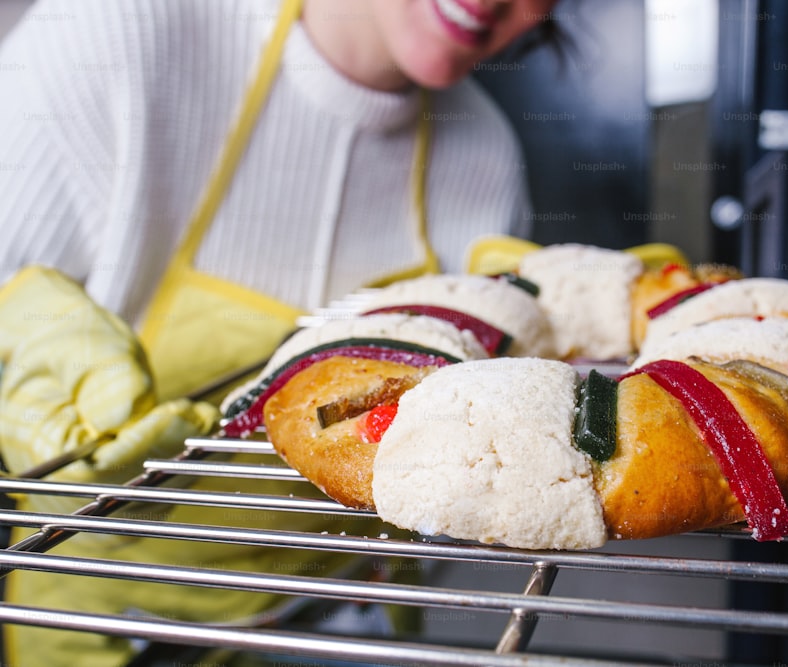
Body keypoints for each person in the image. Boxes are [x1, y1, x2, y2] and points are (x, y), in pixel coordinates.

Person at [0, 0, 561, 664]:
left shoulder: (487, 154)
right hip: (113, 622)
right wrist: (23, 354)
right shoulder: (117, 32)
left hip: (349, 614)